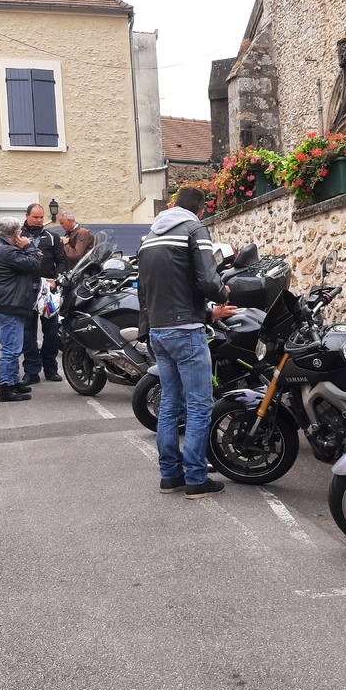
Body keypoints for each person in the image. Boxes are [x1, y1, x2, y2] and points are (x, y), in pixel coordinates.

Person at [137, 186, 236, 499]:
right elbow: (207, 279)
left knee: (170, 404)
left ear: (173, 205)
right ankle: (195, 478)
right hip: (186, 332)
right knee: (199, 405)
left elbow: (145, 289)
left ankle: (170, 475)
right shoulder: (195, 229)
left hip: (158, 330)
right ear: (201, 209)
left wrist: (148, 327)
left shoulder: (149, 237)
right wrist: (222, 293)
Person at [0, 218, 43, 403]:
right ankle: (6, 387)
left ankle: (14, 382)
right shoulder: (8, 251)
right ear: (17, 234)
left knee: (10, 347)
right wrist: (28, 247)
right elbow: (34, 264)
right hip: (9, 306)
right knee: (11, 349)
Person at [19, 203, 67, 384]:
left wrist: (56, 279)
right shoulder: (18, 236)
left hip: (47, 291)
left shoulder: (52, 237)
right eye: (35, 217)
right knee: (27, 333)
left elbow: (62, 261)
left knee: (52, 332)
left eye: (41, 217)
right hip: (25, 291)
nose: (39, 220)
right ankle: (31, 371)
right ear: (27, 216)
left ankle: (50, 368)